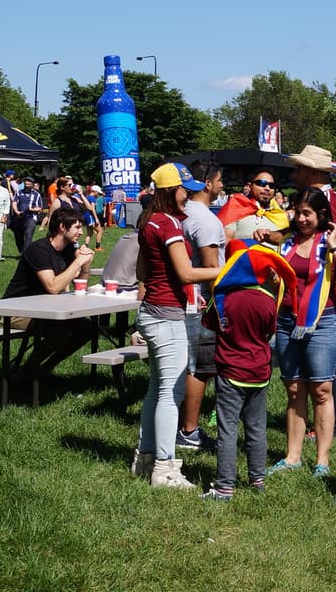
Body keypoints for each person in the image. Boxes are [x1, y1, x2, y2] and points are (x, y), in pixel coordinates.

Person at [132, 163, 222, 490]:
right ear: (172, 191)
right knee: (171, 393)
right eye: (185, 189)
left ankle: (144, 459)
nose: (189, 195)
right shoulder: (169, 224)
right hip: (167, 316)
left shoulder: (148, 221)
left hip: (151, 312)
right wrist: (230, 269)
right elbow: (186, 274)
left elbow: (142, 269)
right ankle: (165, 469)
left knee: (157, 389)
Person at [267, 188, 336, 479]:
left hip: (323, 323)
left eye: (306, 213)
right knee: (294, 390)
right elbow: (278, 282)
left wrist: (334, 248)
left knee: (322, 391)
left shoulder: (333, 241)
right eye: (297, 212)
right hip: (287, 322)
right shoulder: (287, 243)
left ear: (321, 215)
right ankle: (292, 456)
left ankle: (322, 460)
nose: (300, 218)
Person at [200, 241, 297, 501]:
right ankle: (257, 479)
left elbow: (209, 324)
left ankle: (224, 487)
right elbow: (269, 331)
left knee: (228, 430)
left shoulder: (222, 298)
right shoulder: (268, 301)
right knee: (256, 429)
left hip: (230, 370)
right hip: (259, 372)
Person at [289, 145, 336, 438]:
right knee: (327, 359)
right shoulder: (331, 198)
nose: (295, 173)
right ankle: (323, 420)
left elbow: (331, 245)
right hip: (331, 292)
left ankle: (329, 422)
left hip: (331, 293)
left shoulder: (325, 202)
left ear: (313, 172)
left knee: (326, 362)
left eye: (300, 168)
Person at [1, 207, 97, 376]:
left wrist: (85, 265)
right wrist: (77, 262)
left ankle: (45, 368)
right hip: (16, 310)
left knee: (87, 328)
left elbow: (79, 288)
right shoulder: (38, 250)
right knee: (60, 329)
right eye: (77, 227)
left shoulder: (66, 250)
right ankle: (27, 372)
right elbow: (52, 287)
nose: (81, 232)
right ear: (62, 227)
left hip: (44, 308)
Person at [177, 161, 226, 453]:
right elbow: (210, 267)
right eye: (219, 181)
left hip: (180, 301)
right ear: (207, 183)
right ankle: (189, 431)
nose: (222, 186)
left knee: (188, 363)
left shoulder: (180, 213)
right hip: (200, 303)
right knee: (200, 367)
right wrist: (219, 307)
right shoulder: (206, 220)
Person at [11, 176, 45, 255]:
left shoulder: (36, 195)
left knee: (28, 235)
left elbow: (40, 208)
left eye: (29, 184)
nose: (27, 185)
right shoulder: (19, 192)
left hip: (31, 218)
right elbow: (14, 203)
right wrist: (17, 211)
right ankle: (22, 252)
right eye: (25, 184)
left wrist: (32, 209)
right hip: (20, 217)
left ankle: (25, 255)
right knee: (18, 236)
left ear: (32, 185)